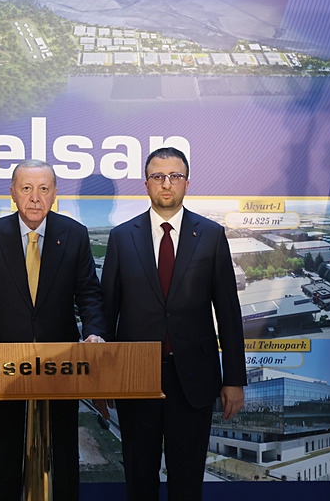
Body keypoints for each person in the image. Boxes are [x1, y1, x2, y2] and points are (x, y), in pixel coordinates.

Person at [0, 159, 107, 501]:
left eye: (43, 189)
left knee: (64, 461)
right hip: (1, 366)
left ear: (54, 194)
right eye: (26, 188)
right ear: (13, 193)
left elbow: (89, 294)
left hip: (61, 365)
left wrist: (94, 332)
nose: (35, 197)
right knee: (3, 462)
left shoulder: (75, 234)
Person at [99, 147, 246, 500]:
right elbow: (106, 313)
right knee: (139, 480)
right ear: (146, 184)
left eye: (175, 176)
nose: (166, 184)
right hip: (136, 379)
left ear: (187, 183)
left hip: (194, 379)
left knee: (187, 482)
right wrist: (102, 378)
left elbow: (228, 312)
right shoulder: (122, 237)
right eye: (158, 176)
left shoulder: (211, 235)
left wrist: (234, 379)